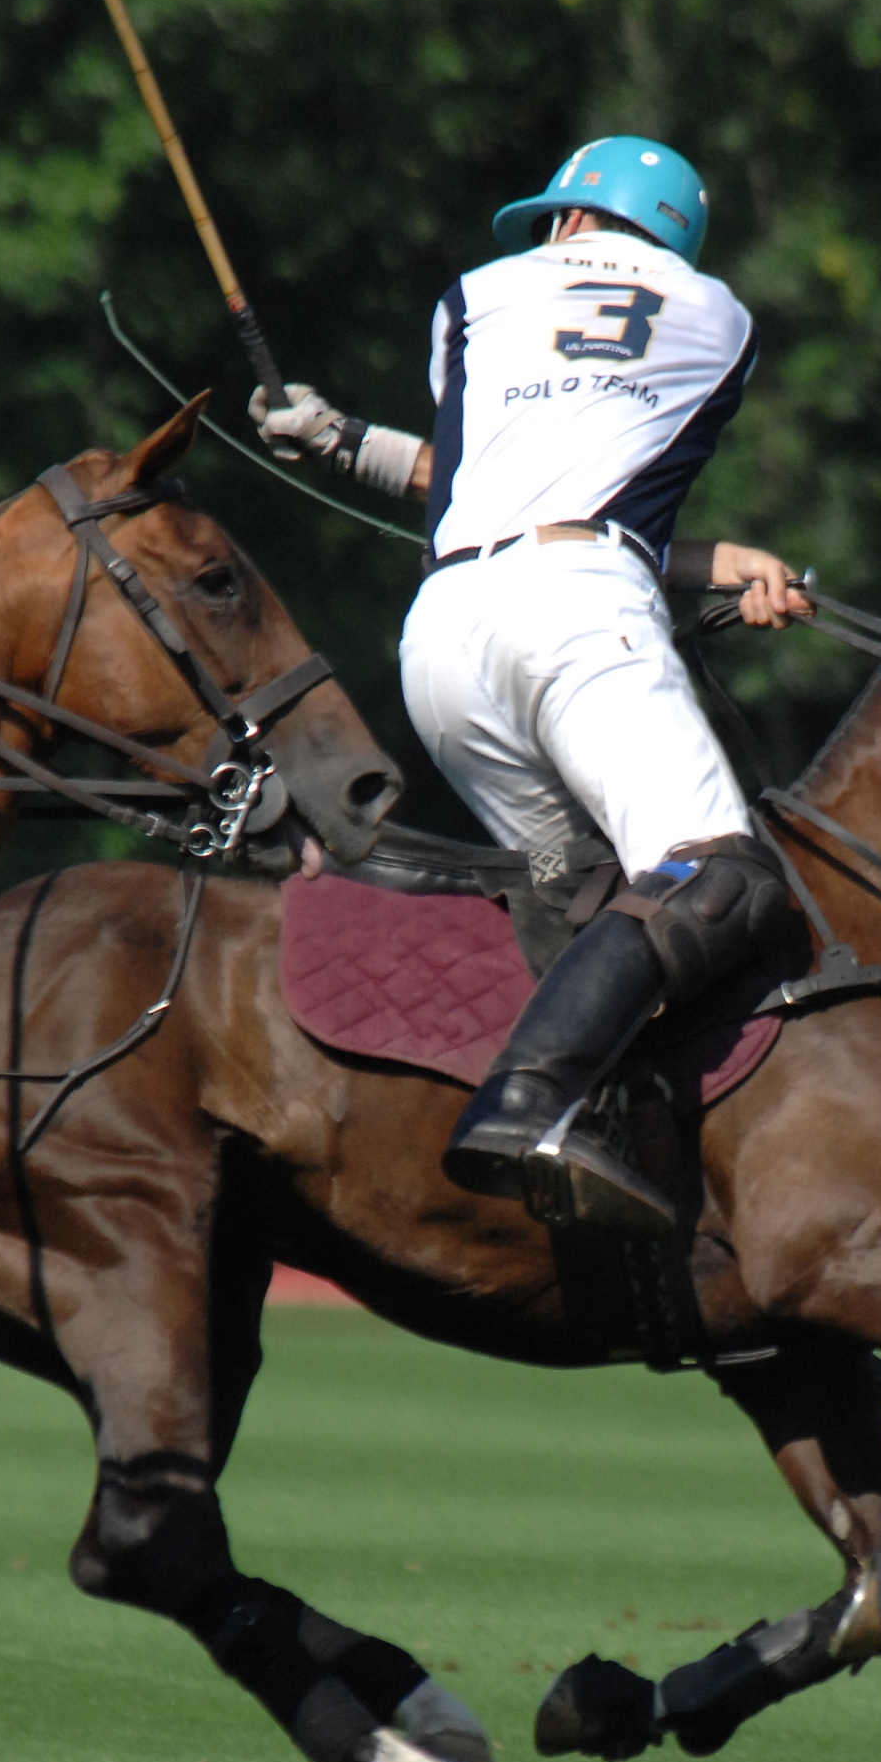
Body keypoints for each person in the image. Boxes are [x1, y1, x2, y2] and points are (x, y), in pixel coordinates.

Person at [254, 136, 809, 1239]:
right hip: (581, 622)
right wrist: (699, 560)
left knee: (578, 889)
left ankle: (609, 1148)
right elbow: (594, 500)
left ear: (566, 220)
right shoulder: (719, 319)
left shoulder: (476, 296)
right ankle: (530, 1102)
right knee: (718, 878)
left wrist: (338, 436)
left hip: (450, 645)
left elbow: (484, 478)